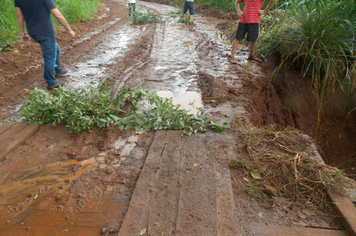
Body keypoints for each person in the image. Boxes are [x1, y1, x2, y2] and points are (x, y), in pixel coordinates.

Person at [14, 0, 75, 90]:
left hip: (33, 32)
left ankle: (58, 69)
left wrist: (23, 33)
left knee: (55, 48)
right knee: (49, 57)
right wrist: (69, 29)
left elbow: (19, 16)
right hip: (45, 32)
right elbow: (58, 15)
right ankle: (51, 82)